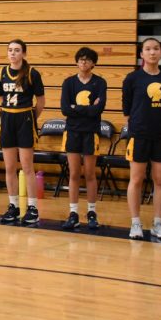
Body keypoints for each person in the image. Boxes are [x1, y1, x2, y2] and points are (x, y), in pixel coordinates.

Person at [122, 38, 161, 240]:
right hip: (139, 135)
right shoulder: (132, 79)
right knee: (136, 179)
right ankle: (135, 222)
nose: (152, 52)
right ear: (141, 54)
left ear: (160, 53)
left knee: (160, 180)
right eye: (148, 49)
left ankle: (158, 223)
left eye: (156, 49)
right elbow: (127, 109)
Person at [0, 39, 45, 226]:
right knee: (9, 167)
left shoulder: (32, 73)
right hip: (7, 118)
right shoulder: (1, 73)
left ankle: (32, 208)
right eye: (10, 50)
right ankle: (13, 206)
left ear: (24, 53)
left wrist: (31, 117)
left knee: (27, 166)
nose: (13, 53)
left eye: (17, 50)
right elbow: (1, 97)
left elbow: (40, 102)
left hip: (25, 119)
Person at [60, 47, 106, 231]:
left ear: (93, 63)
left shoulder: (100, 83)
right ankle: (73, 213)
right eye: (80, 59)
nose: (83, 62)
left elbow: (98, 109)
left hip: (91, 132)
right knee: (73, 174)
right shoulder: (68, 82)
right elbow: (65, 109)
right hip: (72, 131)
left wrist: (76, 107)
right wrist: (86, 109)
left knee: (89, 174)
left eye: (87, 60)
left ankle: (92, 212)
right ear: (76, 62)